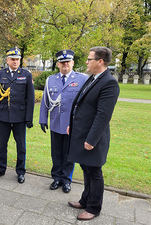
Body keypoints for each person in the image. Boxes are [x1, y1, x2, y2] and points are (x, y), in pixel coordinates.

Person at [67, 47, 119, 220]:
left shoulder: (109, 83)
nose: (87, 62)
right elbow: (81, 105)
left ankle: (94, 208)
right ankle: (85, 200)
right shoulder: (94, 79)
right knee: (86, 169)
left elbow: (103, 116)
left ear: (101, 61)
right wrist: (71, 125)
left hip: (93, 138)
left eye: (90, 59)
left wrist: (91, 140)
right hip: (82, 132)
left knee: (94, 172)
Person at [39, 50, 87, 193]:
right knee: (56, 153)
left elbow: (85, 104)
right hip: (55, 123)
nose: (65, 64)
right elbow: (45, 101)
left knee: (68, 154)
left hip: (71, 125)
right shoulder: (51, 80)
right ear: (58, 64)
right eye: (62, 62)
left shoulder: (82, 79)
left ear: (72, 63)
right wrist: (43, 119)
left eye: (68, 62)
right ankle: (56, 178)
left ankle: (66, 180)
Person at [0, 47, 35, 184]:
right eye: (13, 59)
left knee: (21, 146)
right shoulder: (0, 75)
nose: (15, 61)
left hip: (20, 117)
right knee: (2, 145)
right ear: (7, 60)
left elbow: (30, 98)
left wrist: (29, 118)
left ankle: (21, 172)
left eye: (17, 59)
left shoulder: (26, 75)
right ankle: (1, 168)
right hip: (4, 116)